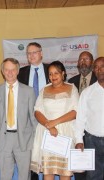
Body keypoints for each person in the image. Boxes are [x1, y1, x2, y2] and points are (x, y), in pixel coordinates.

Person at [31, 61, 79, 180]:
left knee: (65, 172)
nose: (53, 76)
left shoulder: (72, 88)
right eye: (50, 74)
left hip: (65, 134)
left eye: (56, 73)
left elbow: (75, 112)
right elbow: (37, 111)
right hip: (47, 133)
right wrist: (49, 125)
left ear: (63, 73)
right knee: (48, 172)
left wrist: (55, 122)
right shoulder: (44, 90)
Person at [0, 58, 37, 180]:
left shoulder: (28, 91)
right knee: (4, 176)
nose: (10, 73)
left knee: (24, 175)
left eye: (13, 70)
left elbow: (33, 118)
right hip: (3, 139)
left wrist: (35, 140)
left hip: (24, 139)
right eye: (6, 70)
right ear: (2, 71)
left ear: (17, 71)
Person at [18, 42, 49, 180]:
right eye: (29, 53)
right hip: (28, 121)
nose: (31, 55)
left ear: (41, 53)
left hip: (48, 118)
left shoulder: (51, 69)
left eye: (34, 52)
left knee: (48, 155)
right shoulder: (22, 72)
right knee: (32, 156)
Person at [68, 51, 97, 180]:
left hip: (94, 131)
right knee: (79, 167)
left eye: (86, 59)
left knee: (96, 167)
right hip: (76, 129)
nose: (83, 62)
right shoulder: (71, 81)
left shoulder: (99, 80)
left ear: (92, 62)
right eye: (81, 59)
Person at [74, 57, 104, 180]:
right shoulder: (87, 92)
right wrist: (79, 140)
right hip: (92, 141)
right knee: (94, 176)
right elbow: (80, 118)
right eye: (96, 67)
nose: (99, 70)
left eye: (102, 66)